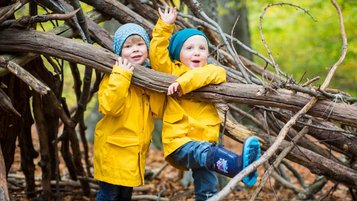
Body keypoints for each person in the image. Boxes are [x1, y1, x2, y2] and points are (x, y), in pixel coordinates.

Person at [149, 7, 261, 200]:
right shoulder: (170, 70)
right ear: (177, 53)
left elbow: (217, 73)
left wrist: (183, 84)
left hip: (207, 144)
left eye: (202, 48)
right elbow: (156, 54)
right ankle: (239, 167)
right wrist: (165, 26)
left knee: (208, 188)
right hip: (181, 142)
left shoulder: (211, 72)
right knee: (204, 154)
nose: (197, 52)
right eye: (189, 48)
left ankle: (231, 176)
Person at [93, 23, 165, 201]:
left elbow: (158, 111)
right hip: (113, 151)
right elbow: (109, 107)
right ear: (119, 51)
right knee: (109, 195)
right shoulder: (113, 75)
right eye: (128, 46)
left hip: (134, 154)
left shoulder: (148, 77)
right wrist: (122, 76)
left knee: (125, 196)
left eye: (140, 44)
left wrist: (152, 86)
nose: (135, 49)